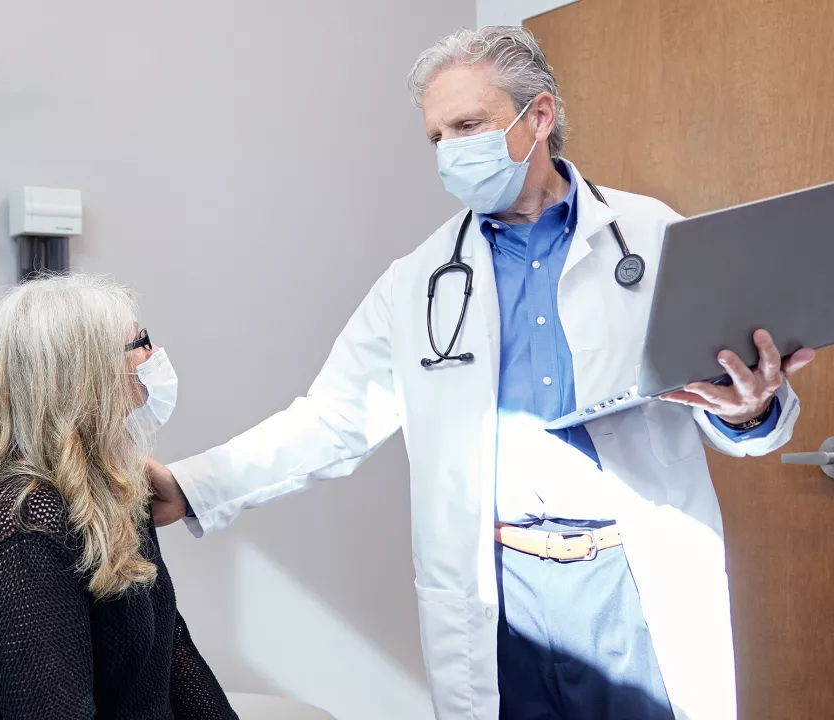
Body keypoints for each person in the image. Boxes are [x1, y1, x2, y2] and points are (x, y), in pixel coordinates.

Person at [147, 26, 816, 720]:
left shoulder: (653, 237)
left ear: (540, 117)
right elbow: (332, 419)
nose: (451, 152)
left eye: (468, 126)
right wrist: (193, 486)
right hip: (499, 586)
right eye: (437, 138)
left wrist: (748, 409)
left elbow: (744, 408)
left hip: (627, 576)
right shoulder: (418, 282)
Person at [0, 274, 237, 720]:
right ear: (85, 374)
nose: (154, 355)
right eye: (140, 342)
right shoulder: (24, 536)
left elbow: (166, 645)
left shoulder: (110, 491)